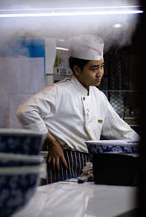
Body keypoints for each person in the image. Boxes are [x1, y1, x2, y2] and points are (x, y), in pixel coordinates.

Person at [16, 35, 139, 183]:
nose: (100, 73)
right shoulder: (58, 91)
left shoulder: (98, 96)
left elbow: (120, 129)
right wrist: (52, 142)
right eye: (94, 68)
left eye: (102, 66)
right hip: (64, 161)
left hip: (91, 163)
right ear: (77, 69)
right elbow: (25, 111)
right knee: (65, 205)